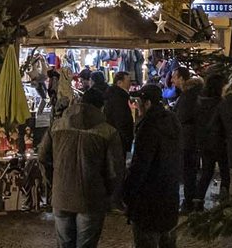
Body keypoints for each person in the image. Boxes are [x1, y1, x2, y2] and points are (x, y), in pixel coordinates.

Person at [40, 82, 125, 248]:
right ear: (101, 107)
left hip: (62, 195)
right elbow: (115, 170)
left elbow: (43, 157)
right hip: (92, 198)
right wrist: (107, 194)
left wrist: (53, 182)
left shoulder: (57, 126)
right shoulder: (108, 132)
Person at [120, 84, 183, 248]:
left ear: (147, 103)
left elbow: (140, 165)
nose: (136, 105)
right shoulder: (172, 121)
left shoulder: (149, 126)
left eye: (138, 101)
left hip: (148, 201)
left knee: (146, 241)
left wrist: (126, 193)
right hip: (169, 196)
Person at [196, 74, 232, 205]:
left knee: (206, 173)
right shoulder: (222, 103)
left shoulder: (201, 101)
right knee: (225, 173)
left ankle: (198, 201)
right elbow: (227, 124)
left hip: (205, 142)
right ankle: (224, 200)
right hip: (221, 142)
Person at [174, 72, 205, 211]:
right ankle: (196, 199)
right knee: (194, 169)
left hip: (188, 137)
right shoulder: (200, 93)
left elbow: (182, 115)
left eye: (175, 77)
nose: (173, 80)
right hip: (197, 136)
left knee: (188, 170)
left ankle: (189, 200)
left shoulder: (187, 95)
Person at [104, 71, 136, 152]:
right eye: (128, 81)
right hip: (119, 139)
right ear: (119, 83)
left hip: (115, 137)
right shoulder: (119, 98)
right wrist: (126, 138)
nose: (130, 84)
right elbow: (121, 120)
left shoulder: (116, 95)